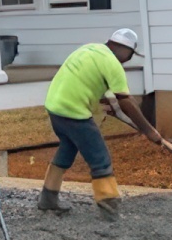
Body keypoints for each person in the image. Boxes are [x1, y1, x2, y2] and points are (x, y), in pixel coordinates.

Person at [39, 27, 165, 221]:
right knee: (100, 158)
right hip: (74, 113)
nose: (127, 60)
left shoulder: (90, 49)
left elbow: (85, 82)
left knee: (67, 149)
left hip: (55, 108)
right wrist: (150, 131)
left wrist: (111, 106)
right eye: (130, 56)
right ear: (126, 50)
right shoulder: (112, 63)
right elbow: (127, 101)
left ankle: (48, 198)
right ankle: (109, 209)